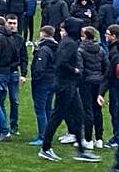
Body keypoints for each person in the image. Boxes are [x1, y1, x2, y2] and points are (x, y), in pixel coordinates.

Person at [39, 17, 101, 163]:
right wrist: (75, 70)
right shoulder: (70, 44)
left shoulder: (68, 42)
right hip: (65, 84)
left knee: (78, 115)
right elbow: (61, 62)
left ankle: (81, 150)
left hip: (69, 84)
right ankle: (46, 148)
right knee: (57, 116)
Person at [80, 25, 108, 149]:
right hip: (99, 83)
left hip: (86, 83)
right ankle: (99, 138)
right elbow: (106, 67)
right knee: (98, 111)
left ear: (85, 36)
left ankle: (87, 139)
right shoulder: (101, 49)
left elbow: (80, 69)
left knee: (88, 110)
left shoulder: (80, 50)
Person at [29, 26, 58, 147]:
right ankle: (48, 133)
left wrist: (36, 78)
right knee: (48, 108)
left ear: (43, 33)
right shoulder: (56, 47)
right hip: (53, 80)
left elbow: (40, 68)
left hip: (43, 82)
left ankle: (43, 136)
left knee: (40, 109)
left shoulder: (44, 50)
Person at [99, 25, 119, 172]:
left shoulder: (115, 53)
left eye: (107, 34)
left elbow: (110, 74)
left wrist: (101, 92)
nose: (105, 36)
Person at [6, 14, 29, 136]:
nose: (12, 26)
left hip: (14, 72)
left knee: (14, 100)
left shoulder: (20, 39)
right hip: (1, 71)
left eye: (14, 23)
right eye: (10, 23)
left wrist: (23, 74)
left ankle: (14, 125)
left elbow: (24, 57)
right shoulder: (0, 37)